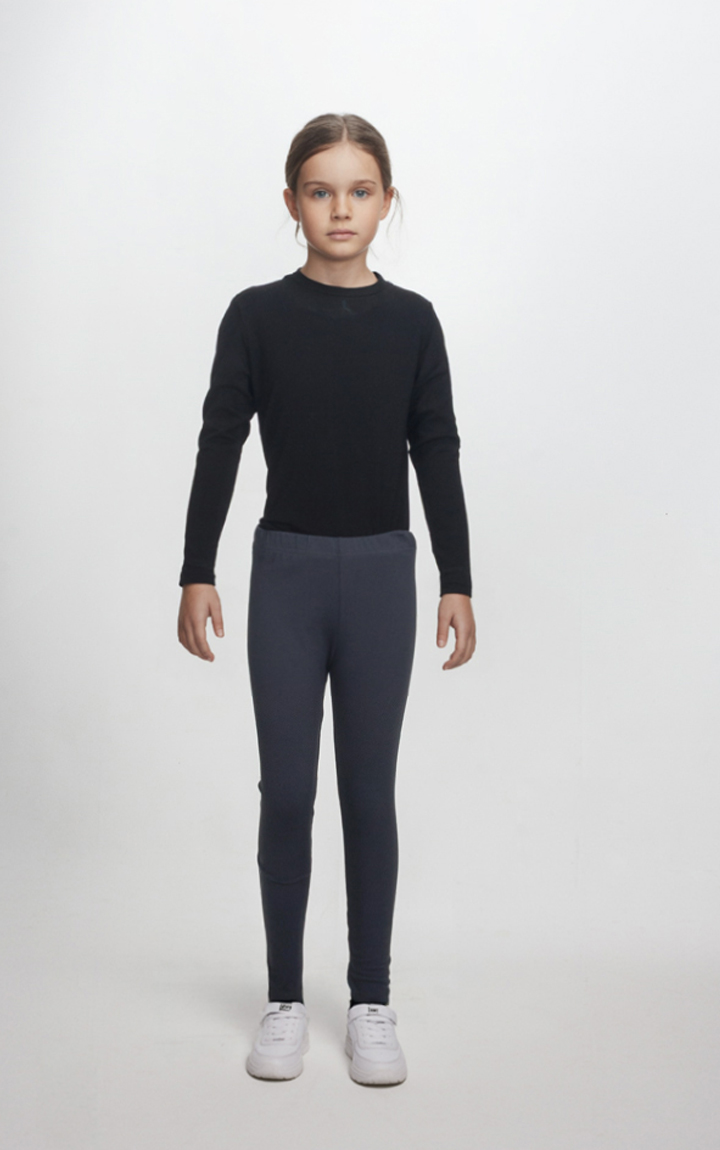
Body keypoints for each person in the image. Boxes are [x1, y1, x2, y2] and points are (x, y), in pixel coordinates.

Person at [177, 112, 476, 1087]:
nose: (340, 208)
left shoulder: (414, 320)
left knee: (368, 791)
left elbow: (436, 448)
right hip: (289, 575)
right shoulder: (256, 316)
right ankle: (283, 999)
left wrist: (458, 577)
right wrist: (196, 568)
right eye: (320, 190)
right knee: (290, 790)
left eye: (359, 190)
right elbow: (221, 440)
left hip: (385, 574)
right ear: (292, 201)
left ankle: (371, 1000)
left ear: (387, 201)